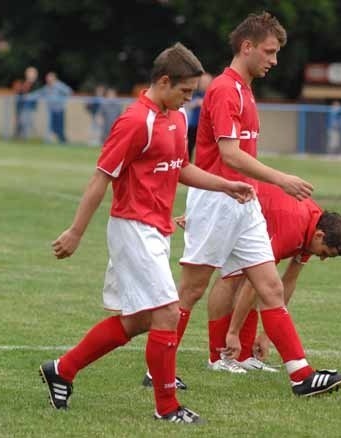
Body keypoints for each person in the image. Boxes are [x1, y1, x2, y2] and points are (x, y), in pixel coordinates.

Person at [38, 42, 255, 424]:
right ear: (164, 81)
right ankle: (167, 408)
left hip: (156, 230)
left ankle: (63, 369)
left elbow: (179, 168)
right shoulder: (136, 120)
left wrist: (225, 185)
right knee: (168, 313)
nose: (190, 99)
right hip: (132, 228)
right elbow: (100, 179)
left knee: (139, 321)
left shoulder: (175, 117)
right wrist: (75, 232)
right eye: (186, 91)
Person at [171, 12, 341, 397]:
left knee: (269, 287)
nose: (274, 60)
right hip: (218, 197)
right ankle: (161, 370)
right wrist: (281, 179)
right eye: (269, 52)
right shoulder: (225, 89)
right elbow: (230, 155)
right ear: (246, 47)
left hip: (243, 201)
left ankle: (301, 375)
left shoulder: (245, 90)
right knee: (192, 290)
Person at [205, 182, 341, 373]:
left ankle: (243, 356)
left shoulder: (314, 226)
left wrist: (267, 334)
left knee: (258, 282)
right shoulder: (292, 229)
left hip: (248, 213)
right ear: (320, 236)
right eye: (325, 253)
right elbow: (254, 284)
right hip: (229, 205)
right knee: (233, 278)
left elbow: (288, 282)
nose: (322, 258)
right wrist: (233, 332)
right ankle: (218, 357)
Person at [28, 72, 73, 143]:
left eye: (50, 78)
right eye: (47, 79)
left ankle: (63, 141)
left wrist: (62, 100)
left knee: (60, 128)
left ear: (54, 78)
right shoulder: (47, 88)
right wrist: (28, 97)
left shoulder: (59, 86)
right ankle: (49, 141)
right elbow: (39, 93)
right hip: (51, 111)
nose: (48, 80)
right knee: (50, 127)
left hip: (59, 110)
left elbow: (69, 91)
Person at [186, 72, 213, 160]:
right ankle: (188, 162)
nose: (204, 84)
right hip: (194, 125)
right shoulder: (194, 93)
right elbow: (188, 105)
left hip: (206, 126)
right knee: (189, 145)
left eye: (206, 81)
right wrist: (196, 102)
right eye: (202, 82)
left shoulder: (212, 94)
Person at [12, 66, 40, 139]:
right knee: (20, 122)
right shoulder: (23, 82)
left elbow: (36, 95)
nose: (30, 74)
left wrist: (27, 96)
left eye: (32, 73)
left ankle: (25, 137)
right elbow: (19, 93)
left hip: (29, 107)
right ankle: (18, 137)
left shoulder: (37, 84)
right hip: (20, 106)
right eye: (28, 73)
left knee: (25, 122)